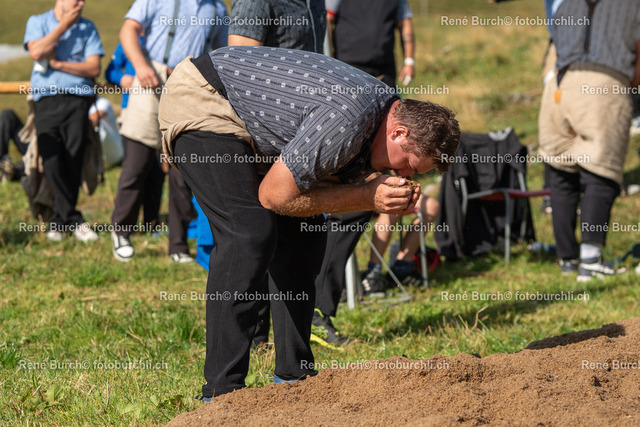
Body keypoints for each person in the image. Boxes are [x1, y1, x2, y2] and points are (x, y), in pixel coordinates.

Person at [158, 46, 460, 399]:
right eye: (408, 164)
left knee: (304, 236)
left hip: (252, 120)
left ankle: (294, 376)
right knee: (249, 234)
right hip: (206, 97)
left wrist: (369, 195)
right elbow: (274, 196)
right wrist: (367, 197)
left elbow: (309, 192)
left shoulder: (376, 121)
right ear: (399, 132)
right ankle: (221, 393)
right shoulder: (348, 120)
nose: (404, 174)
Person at [311, 0, 417, 348]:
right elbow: (326, 25)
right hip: (344, 86)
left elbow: (404, 24)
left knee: (358, 206)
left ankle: (317, 308)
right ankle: (310, 310)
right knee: (347, 207)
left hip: (383, 84)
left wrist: (410, 59)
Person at [226, 0, 327, 347]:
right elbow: (239, 62)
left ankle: (295, 338)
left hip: (305, 132)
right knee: (258, 236)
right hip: (264, 132)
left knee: (301, 239)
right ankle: (253, 335)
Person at [110, 0, 228, 263]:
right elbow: (128, 29)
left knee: (184, 169)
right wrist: (141, 66)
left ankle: (178, 245)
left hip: (190, 85)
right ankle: (121, 232)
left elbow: (222, 51)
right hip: (151, 79)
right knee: (137, 163)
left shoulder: (218, 9)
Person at [538, 0, 640, 281]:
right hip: (604, 82)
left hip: (558, 87)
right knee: (601, 171)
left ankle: (567, 258)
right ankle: (591, 260)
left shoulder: (565, 3)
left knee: (561, 172)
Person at [24, 0, 104, 242]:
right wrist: (64, 26)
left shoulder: (88, 27)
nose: (81, 3)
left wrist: (57, 64)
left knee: (73, 157)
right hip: (46, 99)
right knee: (51, 158)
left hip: (78, 100)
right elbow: (36, 52)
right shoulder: (38, 22)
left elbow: (94, 68)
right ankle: (72, 218)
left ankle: (59, 221)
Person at [362, 192, 440, 292]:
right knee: (394, 206)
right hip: (369, 192)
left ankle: (402, 268)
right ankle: (373, 271)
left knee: (431, 206)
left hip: (394, 192)